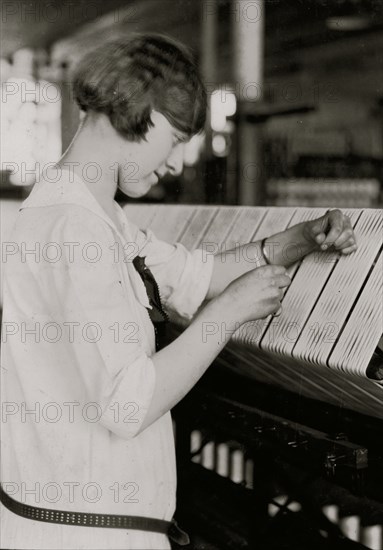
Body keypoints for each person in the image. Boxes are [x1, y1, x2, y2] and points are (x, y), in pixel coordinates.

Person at [0, 34, 357, 550]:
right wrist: (228, 313)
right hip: (80, 534)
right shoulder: (73, 231)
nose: (175, 164)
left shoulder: (93, 218)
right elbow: (129, 403)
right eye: (173, 141)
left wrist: (302, 237)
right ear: (135, 114)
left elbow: (196, 274)